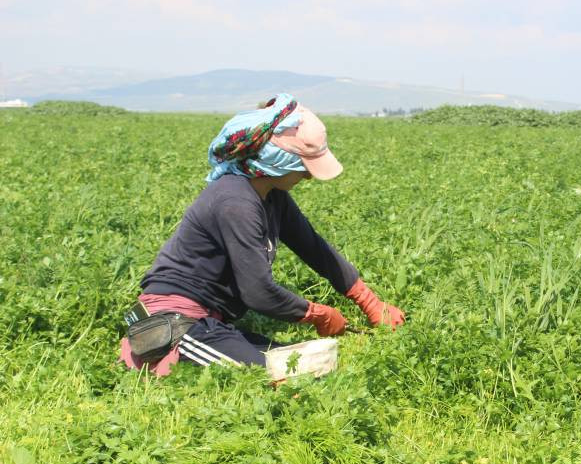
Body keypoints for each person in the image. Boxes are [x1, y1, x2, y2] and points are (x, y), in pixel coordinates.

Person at [120, 94, 405, 376]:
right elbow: (258, 293)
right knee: (286, 373)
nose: (307, 177)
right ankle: (154, 357)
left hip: (210, 321)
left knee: (304, 362)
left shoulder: (271, 194)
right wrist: (319, 314)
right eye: (303, 167)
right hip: (176, 322)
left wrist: (370, 302)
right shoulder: (235, 202)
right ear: (276, 161)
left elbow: (314, 248)